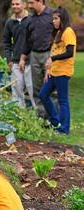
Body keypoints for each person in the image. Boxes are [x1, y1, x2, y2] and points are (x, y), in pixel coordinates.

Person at [39, 7, 76, 135]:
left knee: (63, 100)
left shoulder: (68, 32)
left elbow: (70, 52)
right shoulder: (58, 34)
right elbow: (53, 53)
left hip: (63, 72)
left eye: (56, 18)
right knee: (43, 94)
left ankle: (64, 129)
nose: (53, 21)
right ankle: (55, 122)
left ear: (62, 19)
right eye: (53, 18)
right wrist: (48, 70)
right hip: (53, 72)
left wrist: (52, 59)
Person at [19, 0, 54, 116]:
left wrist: (54, 56)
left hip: (49, 54)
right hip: (34, 55)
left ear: (40, 2)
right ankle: (41, 116)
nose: (29, 6)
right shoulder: (31, 19)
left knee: (51, 87)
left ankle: (54, 118)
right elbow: (27, 41)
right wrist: (22, 58)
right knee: (36, 88)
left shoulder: (52, 15)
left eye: (32, 3)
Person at [4, 0, 35, 108]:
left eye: (17, 4)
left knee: (33, 89)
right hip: (16, 62)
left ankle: (38, 116)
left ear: (24, 5)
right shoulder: (9, 22)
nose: (14, 6)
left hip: (31, 61)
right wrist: (9, 59)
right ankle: (20, 116)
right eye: (13, 4)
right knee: (17, 91)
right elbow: (6, 42)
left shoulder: (31, 19)